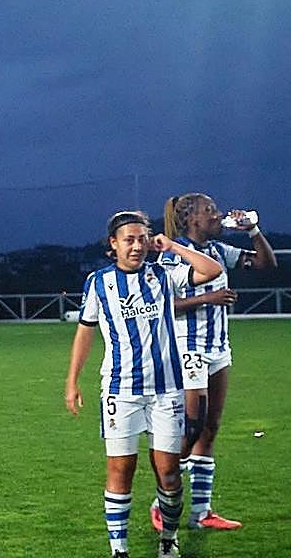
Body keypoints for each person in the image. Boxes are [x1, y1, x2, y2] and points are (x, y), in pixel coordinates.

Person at [65, 210, 224, 558]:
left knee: (168, 473)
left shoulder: (164, 274)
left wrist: (170, 246)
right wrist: (72, 381)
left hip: (167, 391)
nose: (136, 246)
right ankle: (118, 550)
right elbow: (84, 331)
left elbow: (213, 271)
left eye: (141, 239)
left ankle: (168, 539)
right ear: (113, 244)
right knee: (121, 468)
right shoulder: (98, 283)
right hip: (120, 391)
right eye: (128, 240)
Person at [144, 193, 277, 533]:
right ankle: (162, 501)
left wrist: (252, 230)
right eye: (210, 211)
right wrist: (209, 297)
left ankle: (201, 512)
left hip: (218, 348)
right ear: (192, 220)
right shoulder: (171, 255)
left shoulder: (219, 251)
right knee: (191, 428)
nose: (217, 215)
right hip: (187, 348)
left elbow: (264, 264)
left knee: (211, 428)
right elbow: (163, 306)